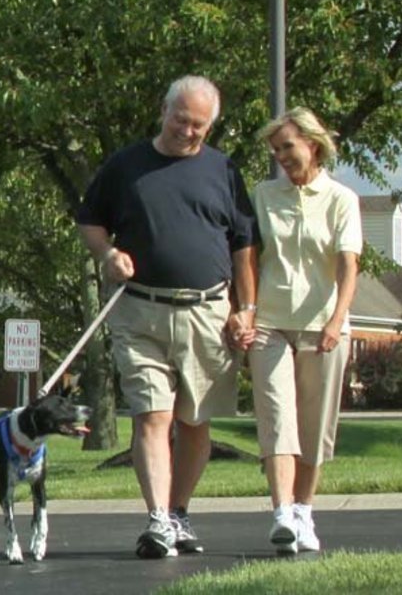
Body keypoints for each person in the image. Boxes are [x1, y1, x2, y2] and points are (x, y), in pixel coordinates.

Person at [76, 75, 259, 559]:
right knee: (152, 416)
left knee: (196, 423)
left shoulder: (223, 170)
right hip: (140, 310)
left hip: (209, 313)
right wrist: (108, 254)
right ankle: (157, 520)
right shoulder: (125, 165)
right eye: (181, 120)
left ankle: (179, 512)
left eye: (200, 125)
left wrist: (247, 309)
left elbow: (243, 246)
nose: (189, 131)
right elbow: (90, 221)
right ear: (163, 111)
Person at [245, 106, 362, 554]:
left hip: (324, 328)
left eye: (287, 146)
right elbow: (250, 258)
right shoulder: (263, 195)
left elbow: (348, 266)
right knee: (276, 419)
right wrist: (247, 310)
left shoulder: (341, 199)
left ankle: (304, 512)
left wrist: (336, 321)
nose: (281, 156)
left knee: (314, 427)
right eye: (275, 150)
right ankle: (281, 514)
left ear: (312, 144)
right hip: (270, 324)